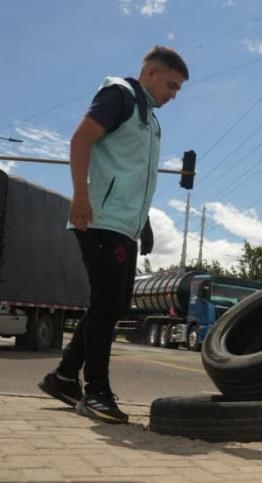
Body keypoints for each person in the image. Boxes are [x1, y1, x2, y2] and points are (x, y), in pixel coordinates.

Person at [37, 46, 188, 424]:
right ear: (150, 73)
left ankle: (65, 378)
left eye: (178, 90)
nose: (173, 95)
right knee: (106, 304)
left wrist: (145, 223)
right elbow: (80, 140)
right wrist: (81, 197)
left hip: (125, 225)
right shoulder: (119, 95)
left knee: (115, 304)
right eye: (171, 85)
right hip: (100, 219)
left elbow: (135, 175)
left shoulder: (150, 120)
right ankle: (96, 391)